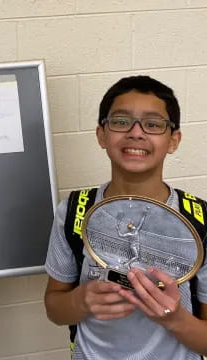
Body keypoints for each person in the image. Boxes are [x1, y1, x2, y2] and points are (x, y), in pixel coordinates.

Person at [44, 76, 207, 359]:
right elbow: (54, 308)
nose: (136, 132)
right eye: (121, 122)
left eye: (153, 124)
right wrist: (80, 301)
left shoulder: (200, 222)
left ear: (173, 140)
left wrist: (174, 319)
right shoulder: (73, 211)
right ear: (101, 135)